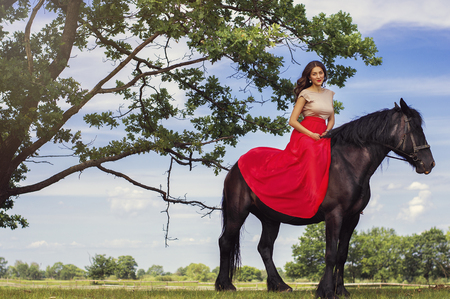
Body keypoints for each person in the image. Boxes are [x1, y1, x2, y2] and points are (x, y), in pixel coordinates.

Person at [238, 61, 335, 218]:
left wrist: (328, 131)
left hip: (323, 132)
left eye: (320, 73)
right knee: (311, 152)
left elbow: (331, 118)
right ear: (309, 77)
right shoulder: (305, 94)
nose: (318, 76)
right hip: (305, 133)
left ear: (324, 74)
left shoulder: (329, 94)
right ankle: (310, 197)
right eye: (314, 74)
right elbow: (293, 121)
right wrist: (311, 135)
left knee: (337, 154)